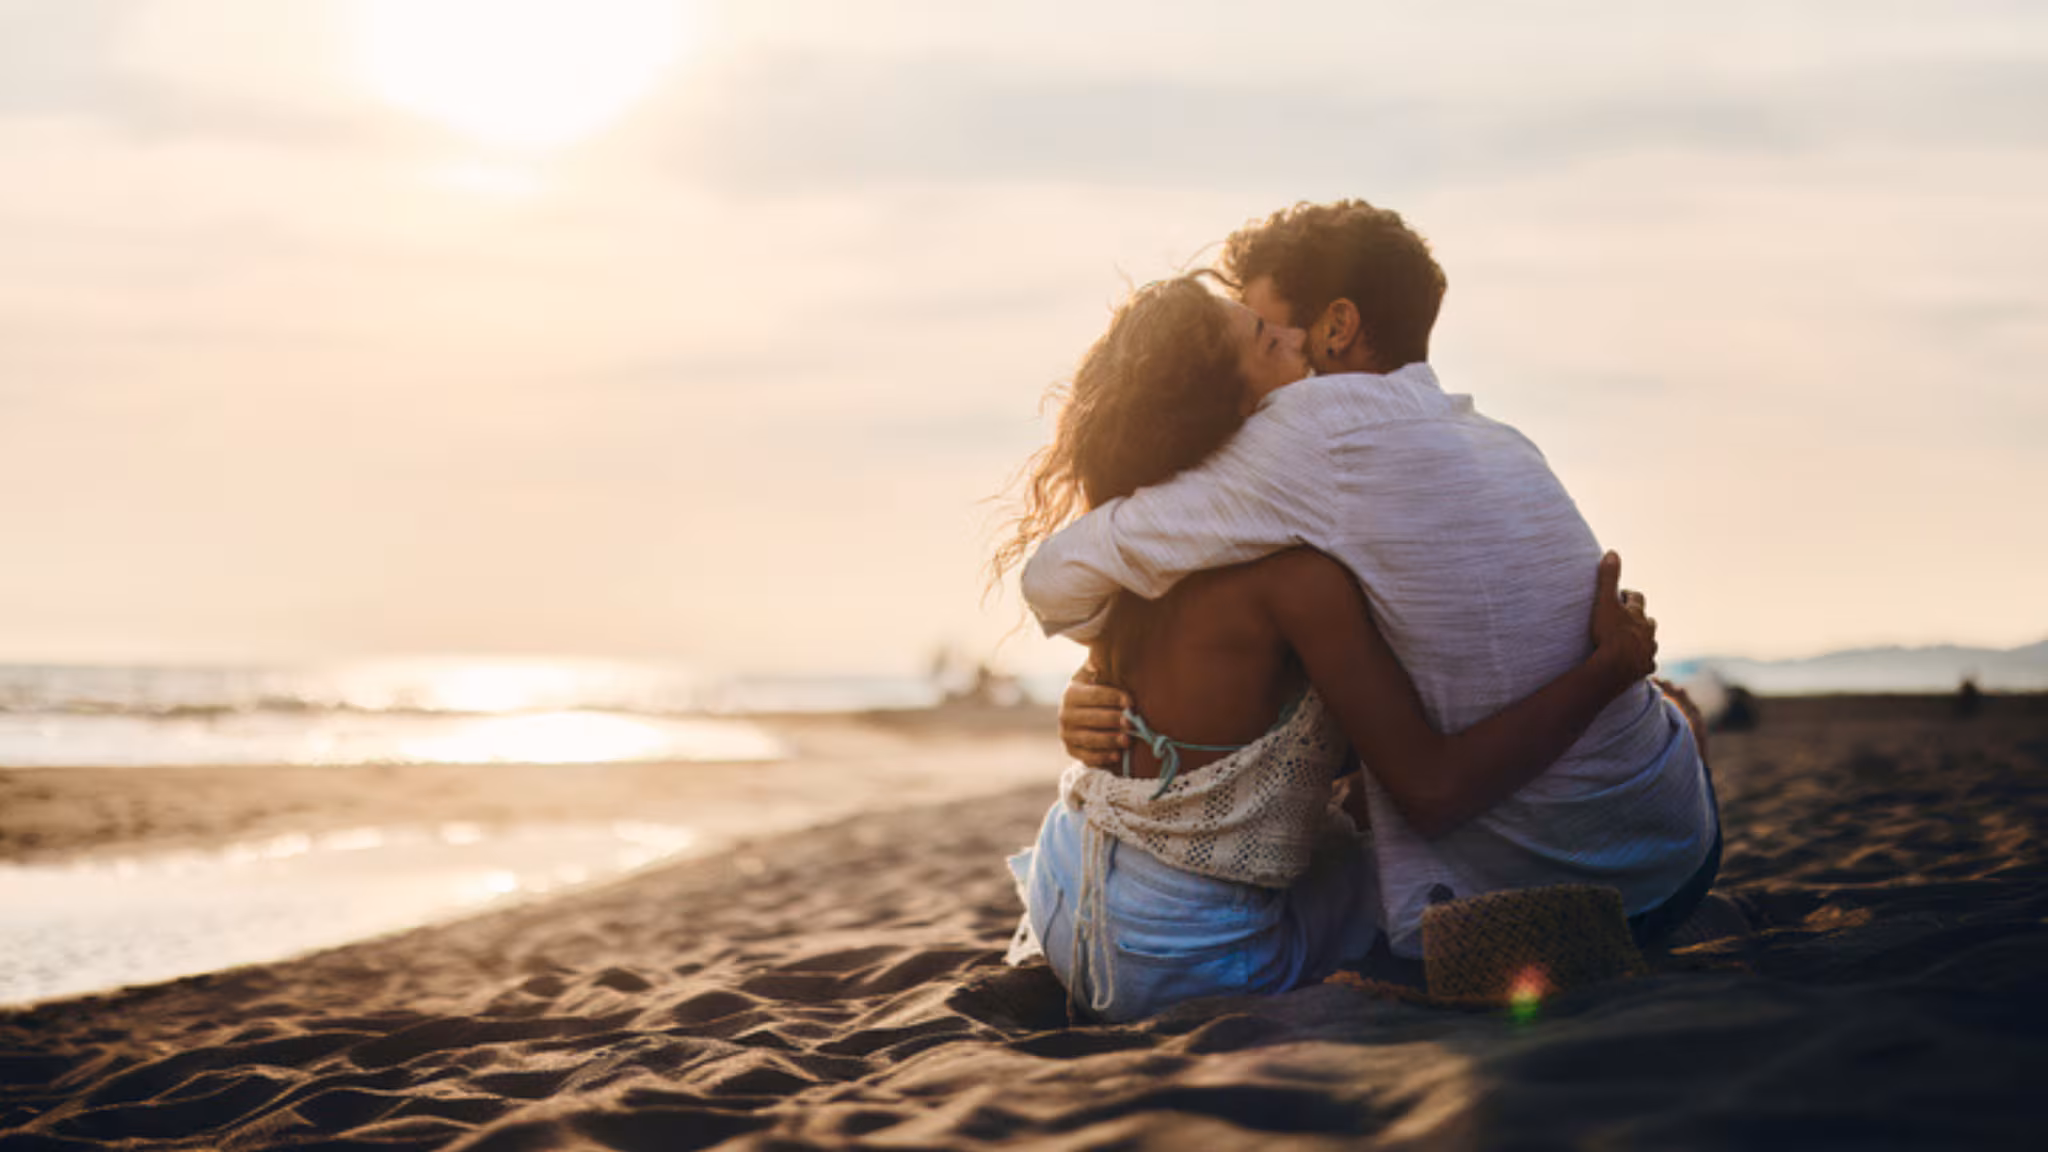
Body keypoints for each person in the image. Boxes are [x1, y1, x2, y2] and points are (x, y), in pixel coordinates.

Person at [1025, 201, 1721, 966]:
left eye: (1269, 324)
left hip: (1538, 885)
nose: (1285, 345)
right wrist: (1108, 683)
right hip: (1677, 852)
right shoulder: (1498, 442)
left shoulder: (1301, 437)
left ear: (1337, 326)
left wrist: (1112, 658)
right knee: (1675, 712)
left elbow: (1056, 575)